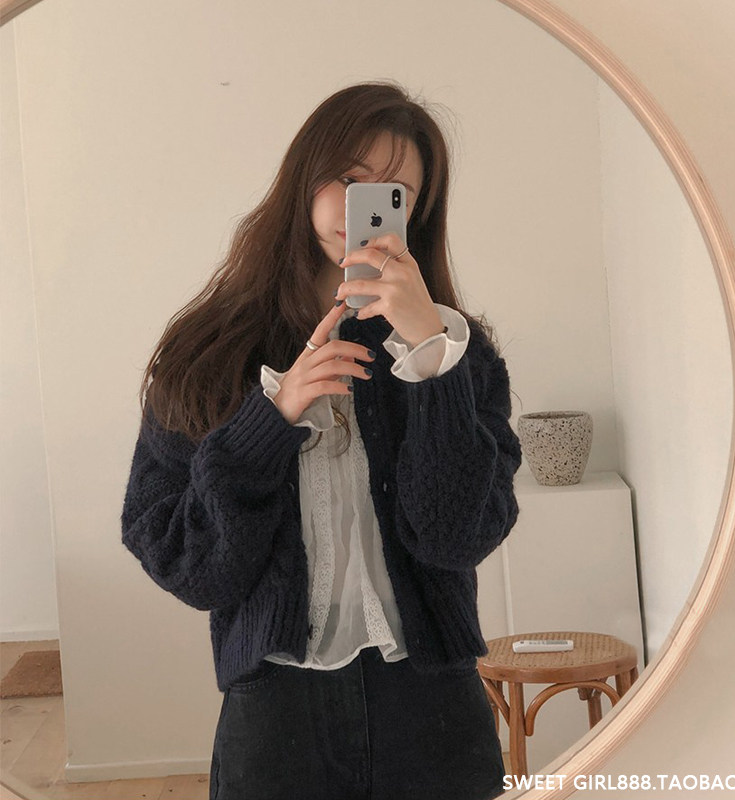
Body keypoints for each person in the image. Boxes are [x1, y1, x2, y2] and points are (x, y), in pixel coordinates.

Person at [121, 81, 521, 800]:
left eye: (393, 191)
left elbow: (457, 537)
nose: (359, 206)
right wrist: (268, 423)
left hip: (432, 706)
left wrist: (431, 359)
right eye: (346, 177)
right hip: (275, 716)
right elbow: (189, 566)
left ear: (415, 212)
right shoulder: (205, 354)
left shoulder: (459, 354)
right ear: (303, 180)